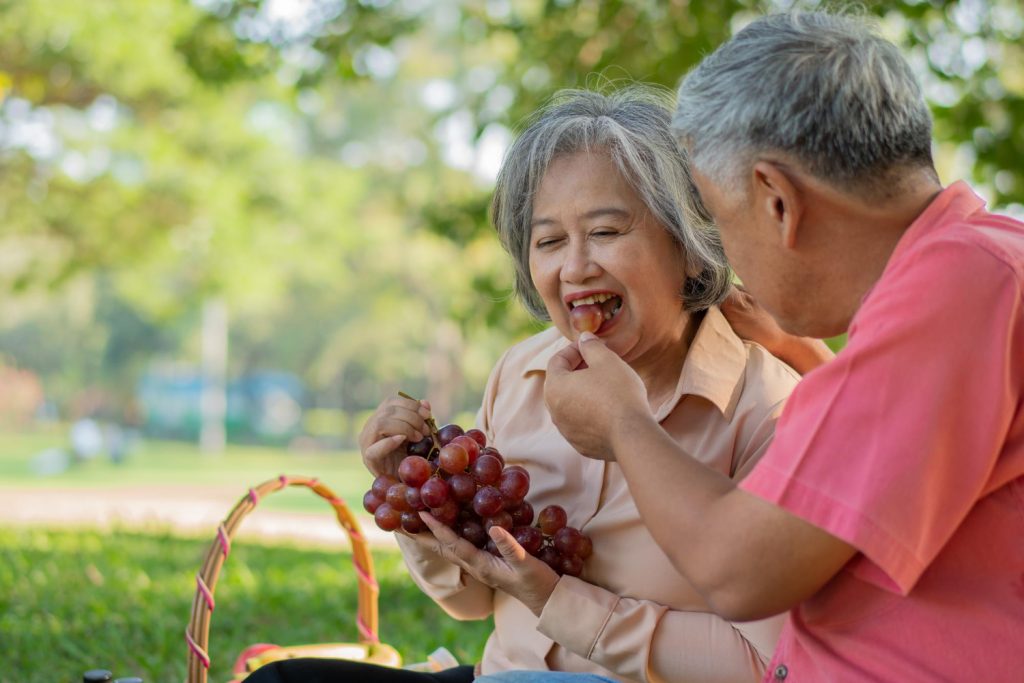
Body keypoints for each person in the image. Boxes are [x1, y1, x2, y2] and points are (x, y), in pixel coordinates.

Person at [502, 11, 1024, 683]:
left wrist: (624, 423)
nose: (723, 258)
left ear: (777, 199)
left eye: (719, 220)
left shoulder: (956, 292)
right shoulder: (974, 271)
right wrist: (805, 352)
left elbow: (737, 569)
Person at [246, 86, 810, 682]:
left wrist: (557, 602)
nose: (575, 267)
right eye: (548, 242)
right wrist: (415, 499)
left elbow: (765, 665)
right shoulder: (521, 373)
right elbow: (468, 604)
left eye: (607, 231)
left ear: (691, 248)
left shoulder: (765, 409)